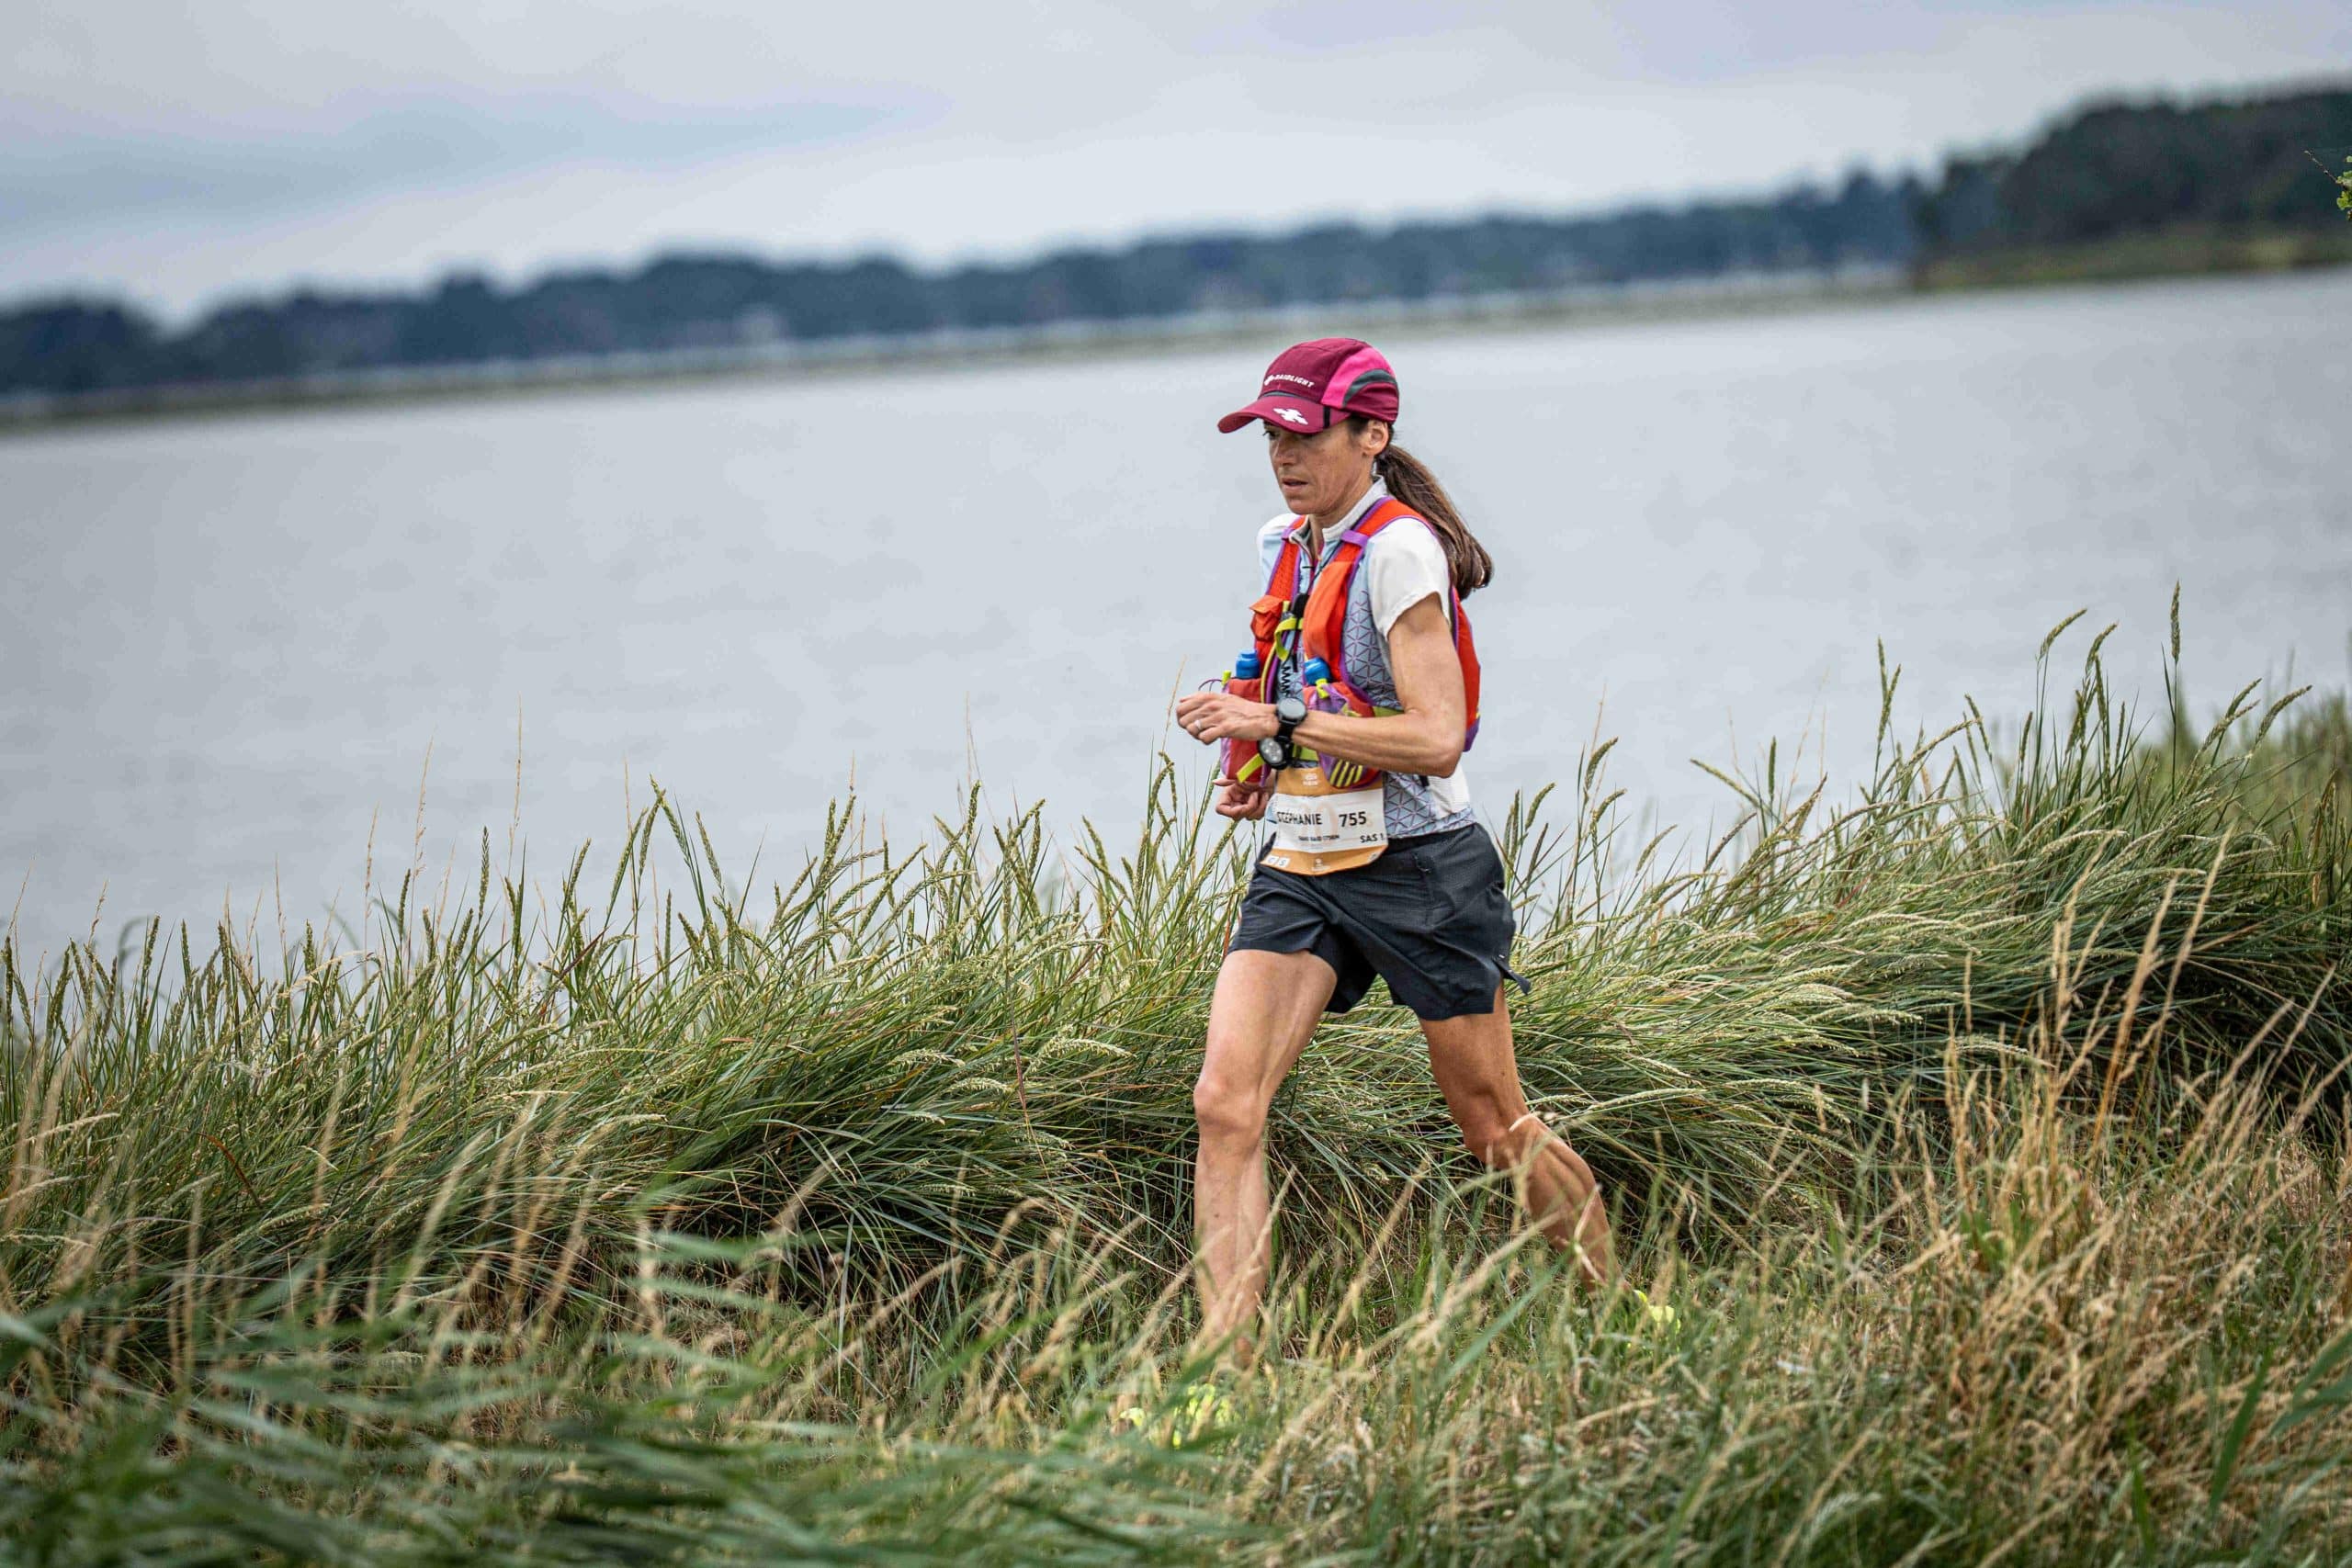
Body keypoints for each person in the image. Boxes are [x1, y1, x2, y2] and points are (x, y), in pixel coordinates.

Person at [1173, 337, 1614, 1359]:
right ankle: (1223, 1375)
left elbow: (1433, 735)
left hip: (1421, 870)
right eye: (1270, 434)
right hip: (1304, 863)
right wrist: (1257, 756)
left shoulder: (1400, 551)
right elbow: (1305, 689)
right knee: (1225, 1104)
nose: (1284, 453)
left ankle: (1625, 1313)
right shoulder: (1286, 540)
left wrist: (1274, 727)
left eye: (1306, 433)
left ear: (1372, 434)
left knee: (1492, 1126)